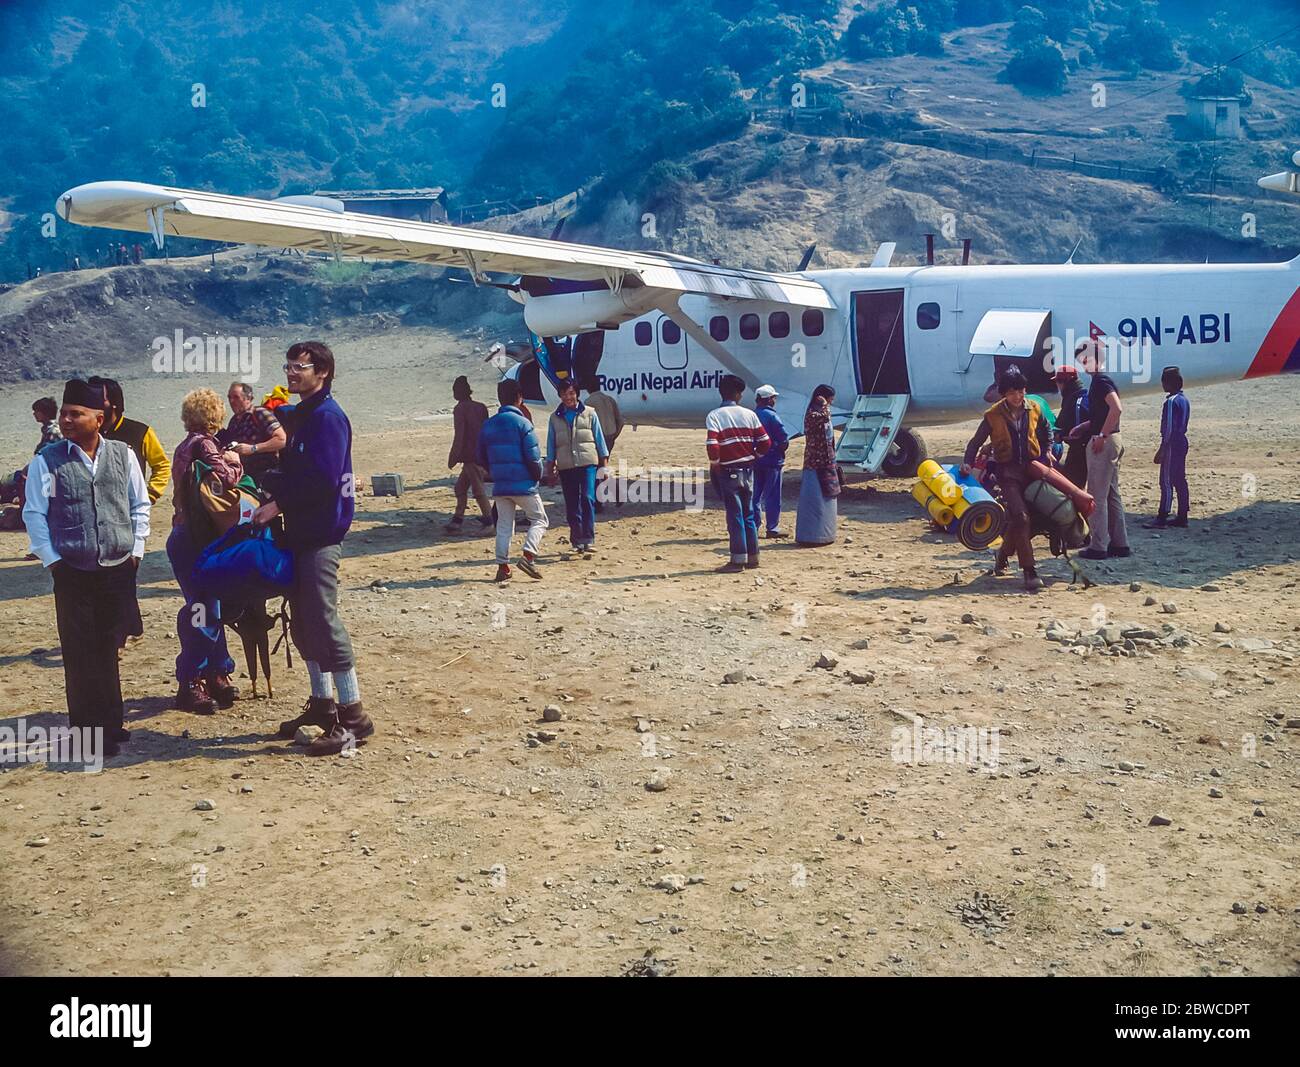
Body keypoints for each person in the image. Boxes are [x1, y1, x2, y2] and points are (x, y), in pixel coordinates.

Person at [254, 342, 373, 757]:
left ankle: (352, 713)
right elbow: (292, 464)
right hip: (299, 532)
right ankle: (322, 705)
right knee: (301, 620)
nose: (291, 373)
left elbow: (323, 478)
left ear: (322, 372)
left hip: (322, 533)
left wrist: (277, 502)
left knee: (322, 618)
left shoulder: (328, 418)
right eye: (288, 366)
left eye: (299, 367)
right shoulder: (301, 415)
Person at [23, 379, 150, 760]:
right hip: (72, 571)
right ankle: (88, 734)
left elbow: (138, 504)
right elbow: (34, 514)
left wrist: (137, 552)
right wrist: (54, 561)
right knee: (79, 653)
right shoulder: (47, 460)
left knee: (109, 645)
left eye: (75, 414)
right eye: (64, 413)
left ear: (99, 418)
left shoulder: (122, 454)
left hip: (117, 567)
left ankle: (112, 723)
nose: (66, 419)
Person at [168, 388, 245, 715]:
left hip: (184, 535)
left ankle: (217, 672)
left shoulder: (183, 446)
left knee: (207, 606)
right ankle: (192, 679)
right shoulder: (205, 445)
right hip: (198, 538)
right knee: (202, 609)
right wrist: (235, 462)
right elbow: (227, 479)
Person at [961, 366, 1053, 592]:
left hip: (1031, 469)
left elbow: (1046, 430)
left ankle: (1002, 557)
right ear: (1004, 393)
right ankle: (1029, 571)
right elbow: (976, 441)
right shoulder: (992, 415)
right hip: (1008, 473)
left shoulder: (1035, 409)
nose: (1018, 396)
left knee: (1022, 519)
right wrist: (967, 461)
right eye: (1012, 392)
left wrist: (1048, 449)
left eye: (1021, 391)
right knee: (1021, 517)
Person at [478, 379, 548, 582]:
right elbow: (533, 457)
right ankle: (528, 555)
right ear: (519, 398)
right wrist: (537, 475)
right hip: (523, 484)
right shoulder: (523, 423)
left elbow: (480, 455)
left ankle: (503, 567)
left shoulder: (488, 425)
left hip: (500, 485)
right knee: (540, 519)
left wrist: (494, 472)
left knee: (504, 526)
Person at [705, 374, 770, 572]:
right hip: (747, 470)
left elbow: (713, 446)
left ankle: (737, 560)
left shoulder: (715, 416)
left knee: (735, 516)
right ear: (739, 395)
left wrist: (715, 463)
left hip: (728, 470)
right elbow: (765, 442)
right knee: (749, 514)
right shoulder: (750, 415)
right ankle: (753, 557)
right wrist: (754, 456)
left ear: (721, 392)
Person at [1076, 340, 1131, 560]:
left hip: (1105, 441)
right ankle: (1120, 544)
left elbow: (1116, 408)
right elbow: (1106, 411)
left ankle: (1098, 547)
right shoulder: (1101, 381)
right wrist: (1088, 426)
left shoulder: (1100, 382)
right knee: (1111, 494)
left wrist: (1101, 435)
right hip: (1113, 439)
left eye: (1085, 359)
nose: (1083, 364)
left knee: (1097, 496)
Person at [545, 380, 609, 554]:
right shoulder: (554, 418)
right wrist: (549, 468)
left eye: (571, 393)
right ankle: (576, 542)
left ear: (577, 394)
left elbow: (599, 441)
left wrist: (604, 466)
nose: (568, 397)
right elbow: (551, 445)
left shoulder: (590, 414)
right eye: (564, 394)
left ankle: (588, 538)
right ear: (560, 395)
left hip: (587, 463)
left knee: (588, 498)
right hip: (566, 466)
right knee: (572, 503)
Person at [90, 376, 171, 504]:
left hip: (129, 508)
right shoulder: (87, 434)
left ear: (114, 403)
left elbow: (162, 465)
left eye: (100, 398)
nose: (94, 403)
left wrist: (150, 494)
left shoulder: (140, 432)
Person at [446, 375, 493, 533]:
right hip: (480, 453)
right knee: (460, 487)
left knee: (478, 490)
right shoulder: (481, 407)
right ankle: (457, 519)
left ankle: (489, 520)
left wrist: (453, 457)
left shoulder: (459, 409)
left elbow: (459, 435)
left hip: (469, 456)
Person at [1146, 365, 1190, 529]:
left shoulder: (1171, 402)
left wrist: (1163, 448)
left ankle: (1162, 516)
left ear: (1169, 383)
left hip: (1172, 444)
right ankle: (1182, 515)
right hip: (1182, 442)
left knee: (1166, 481)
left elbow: (1170, 427)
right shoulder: (1184, 399)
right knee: (1180, 479)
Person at [795, 384, 840, 547]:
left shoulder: (820, 412)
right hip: (816, 462)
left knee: (826, 498)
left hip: (826, 461)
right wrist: (825, 406)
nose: (830, 404)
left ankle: (824, 533)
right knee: (815, 500)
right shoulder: (814, 414)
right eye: (829, 400)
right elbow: (825, 418)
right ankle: (813, 535)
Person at [217, 381, 286, 485]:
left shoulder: (260, 413)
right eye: (229, 397)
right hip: (245, 477)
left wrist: (253, 448)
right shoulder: (234, 421)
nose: (231, 401)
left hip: (266, 474)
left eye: (236, 397)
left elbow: (281, 440)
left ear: (248, 398)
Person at [752, 384, 790, 538]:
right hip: (773, 461)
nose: (775, 400)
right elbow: (783, 439)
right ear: (769, 399)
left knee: (754, 495)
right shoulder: (773, 416)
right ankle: (772, 527)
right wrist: (780, 450)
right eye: (774, 397)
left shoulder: (752, 416)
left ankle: (753, 527)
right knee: (773, 495)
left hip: (756, 460)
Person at [583, 377, 624, 511]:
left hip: (596, 440)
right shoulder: (609, 399)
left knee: (595, 470)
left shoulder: (588, 402)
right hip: (610, 437)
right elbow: (620, 421)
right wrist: (614, 435)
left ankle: (600, 503)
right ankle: (616, 496)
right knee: (602, 468)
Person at [1052, 365, 1089, 489]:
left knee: (1073, 486)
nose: (1057, 385)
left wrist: (1060, 435)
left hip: (1082, 450)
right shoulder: (1080, 397)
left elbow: (1077, 432)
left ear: (1065, 382)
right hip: (1088, 448)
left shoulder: (1075, 401)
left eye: (1058, 381)